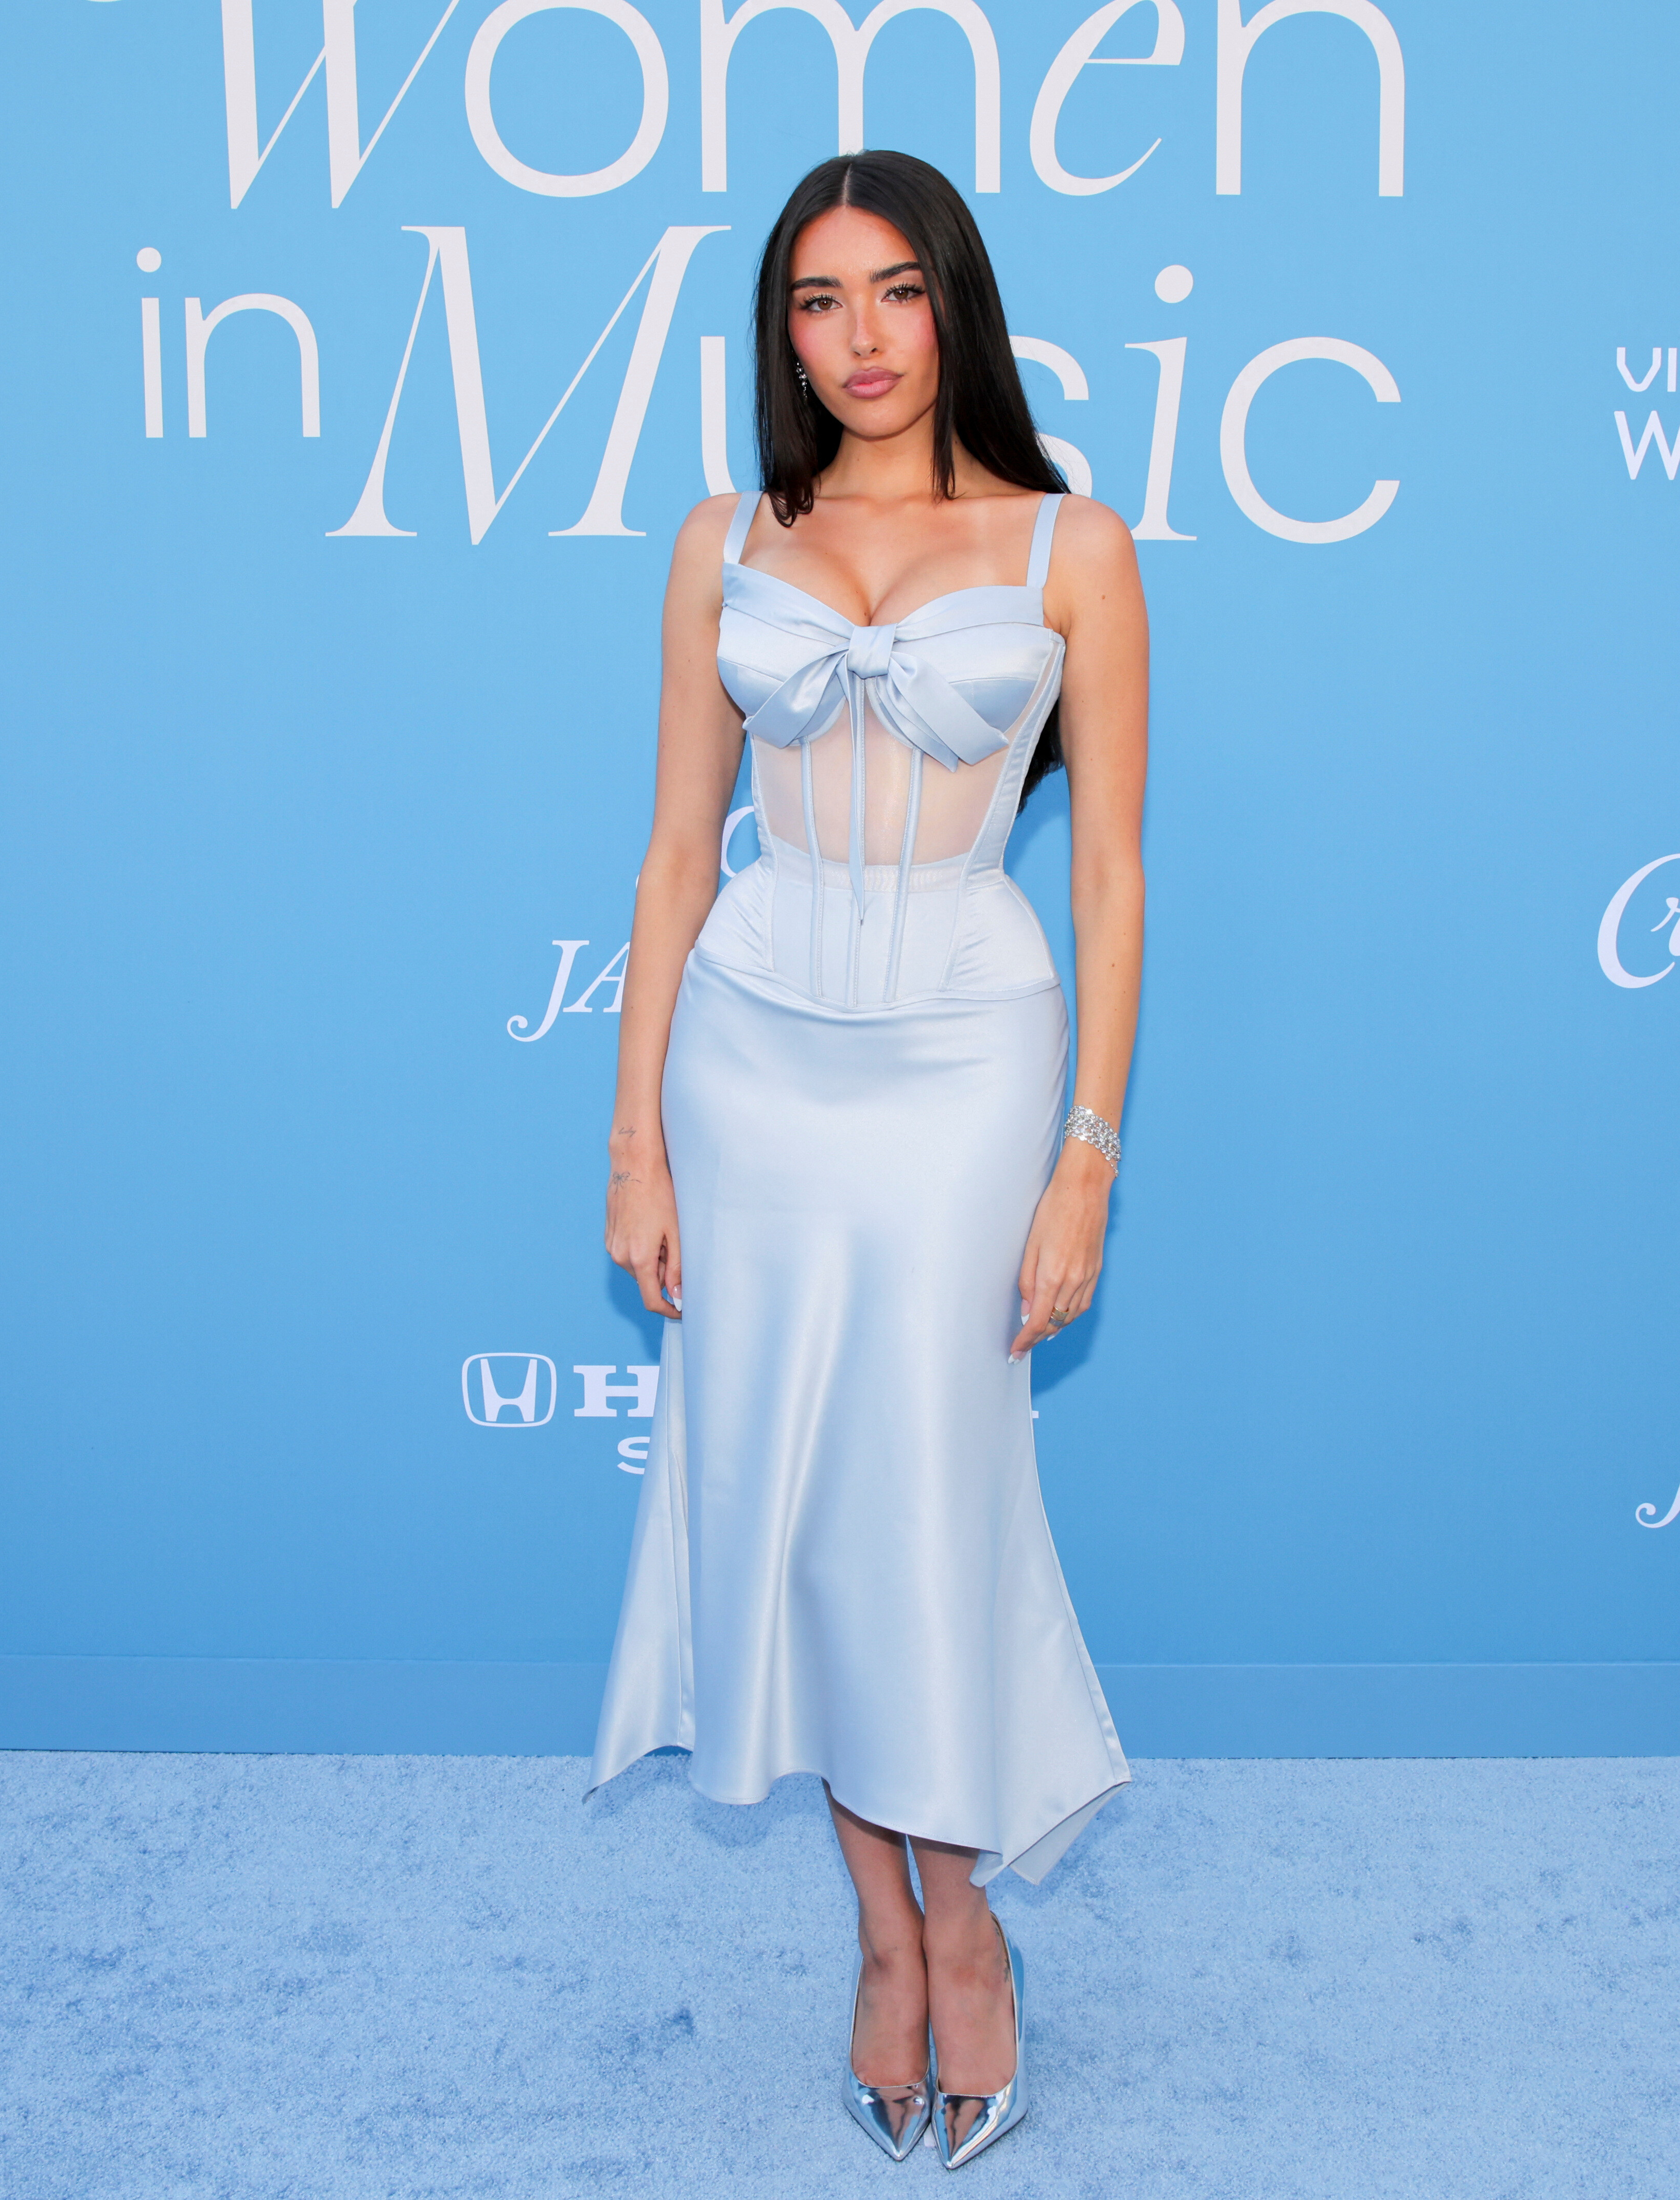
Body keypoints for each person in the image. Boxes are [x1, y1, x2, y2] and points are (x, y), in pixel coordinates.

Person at [594, 150, 1148, 2169]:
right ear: (783, 333)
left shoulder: (1070, 544)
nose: (860, 337)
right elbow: (676, 852)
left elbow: (1109, 872)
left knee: (922, 1494)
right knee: (798, 1506)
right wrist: (635, 1137)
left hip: (967, 1062)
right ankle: (883, 1933)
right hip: (750, 1059)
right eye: (817, 300)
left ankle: (968, 1919)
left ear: (953, 305)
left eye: (895, 291)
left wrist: (1085, 1158)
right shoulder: (721, 539)